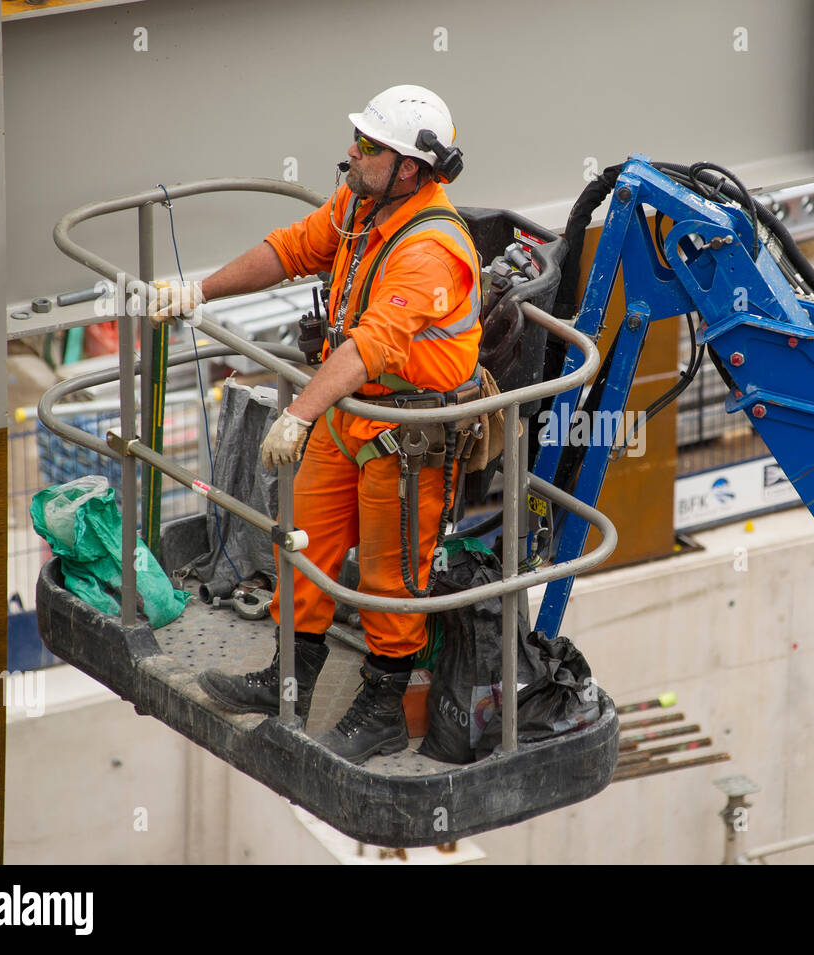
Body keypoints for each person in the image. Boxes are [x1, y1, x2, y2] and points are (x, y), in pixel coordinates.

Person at [148, 85, 481, 763]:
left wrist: (298, 413)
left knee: (391, 581)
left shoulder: (431, 251)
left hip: (405, 433)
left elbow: (374, 343)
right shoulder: (363, 204)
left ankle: (384, 710)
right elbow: (294, 247)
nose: (351, 154)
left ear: (408, 169)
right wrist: (199, 290)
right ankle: (284, 676)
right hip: (351, 411)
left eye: (367, 147)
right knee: (302, 544)